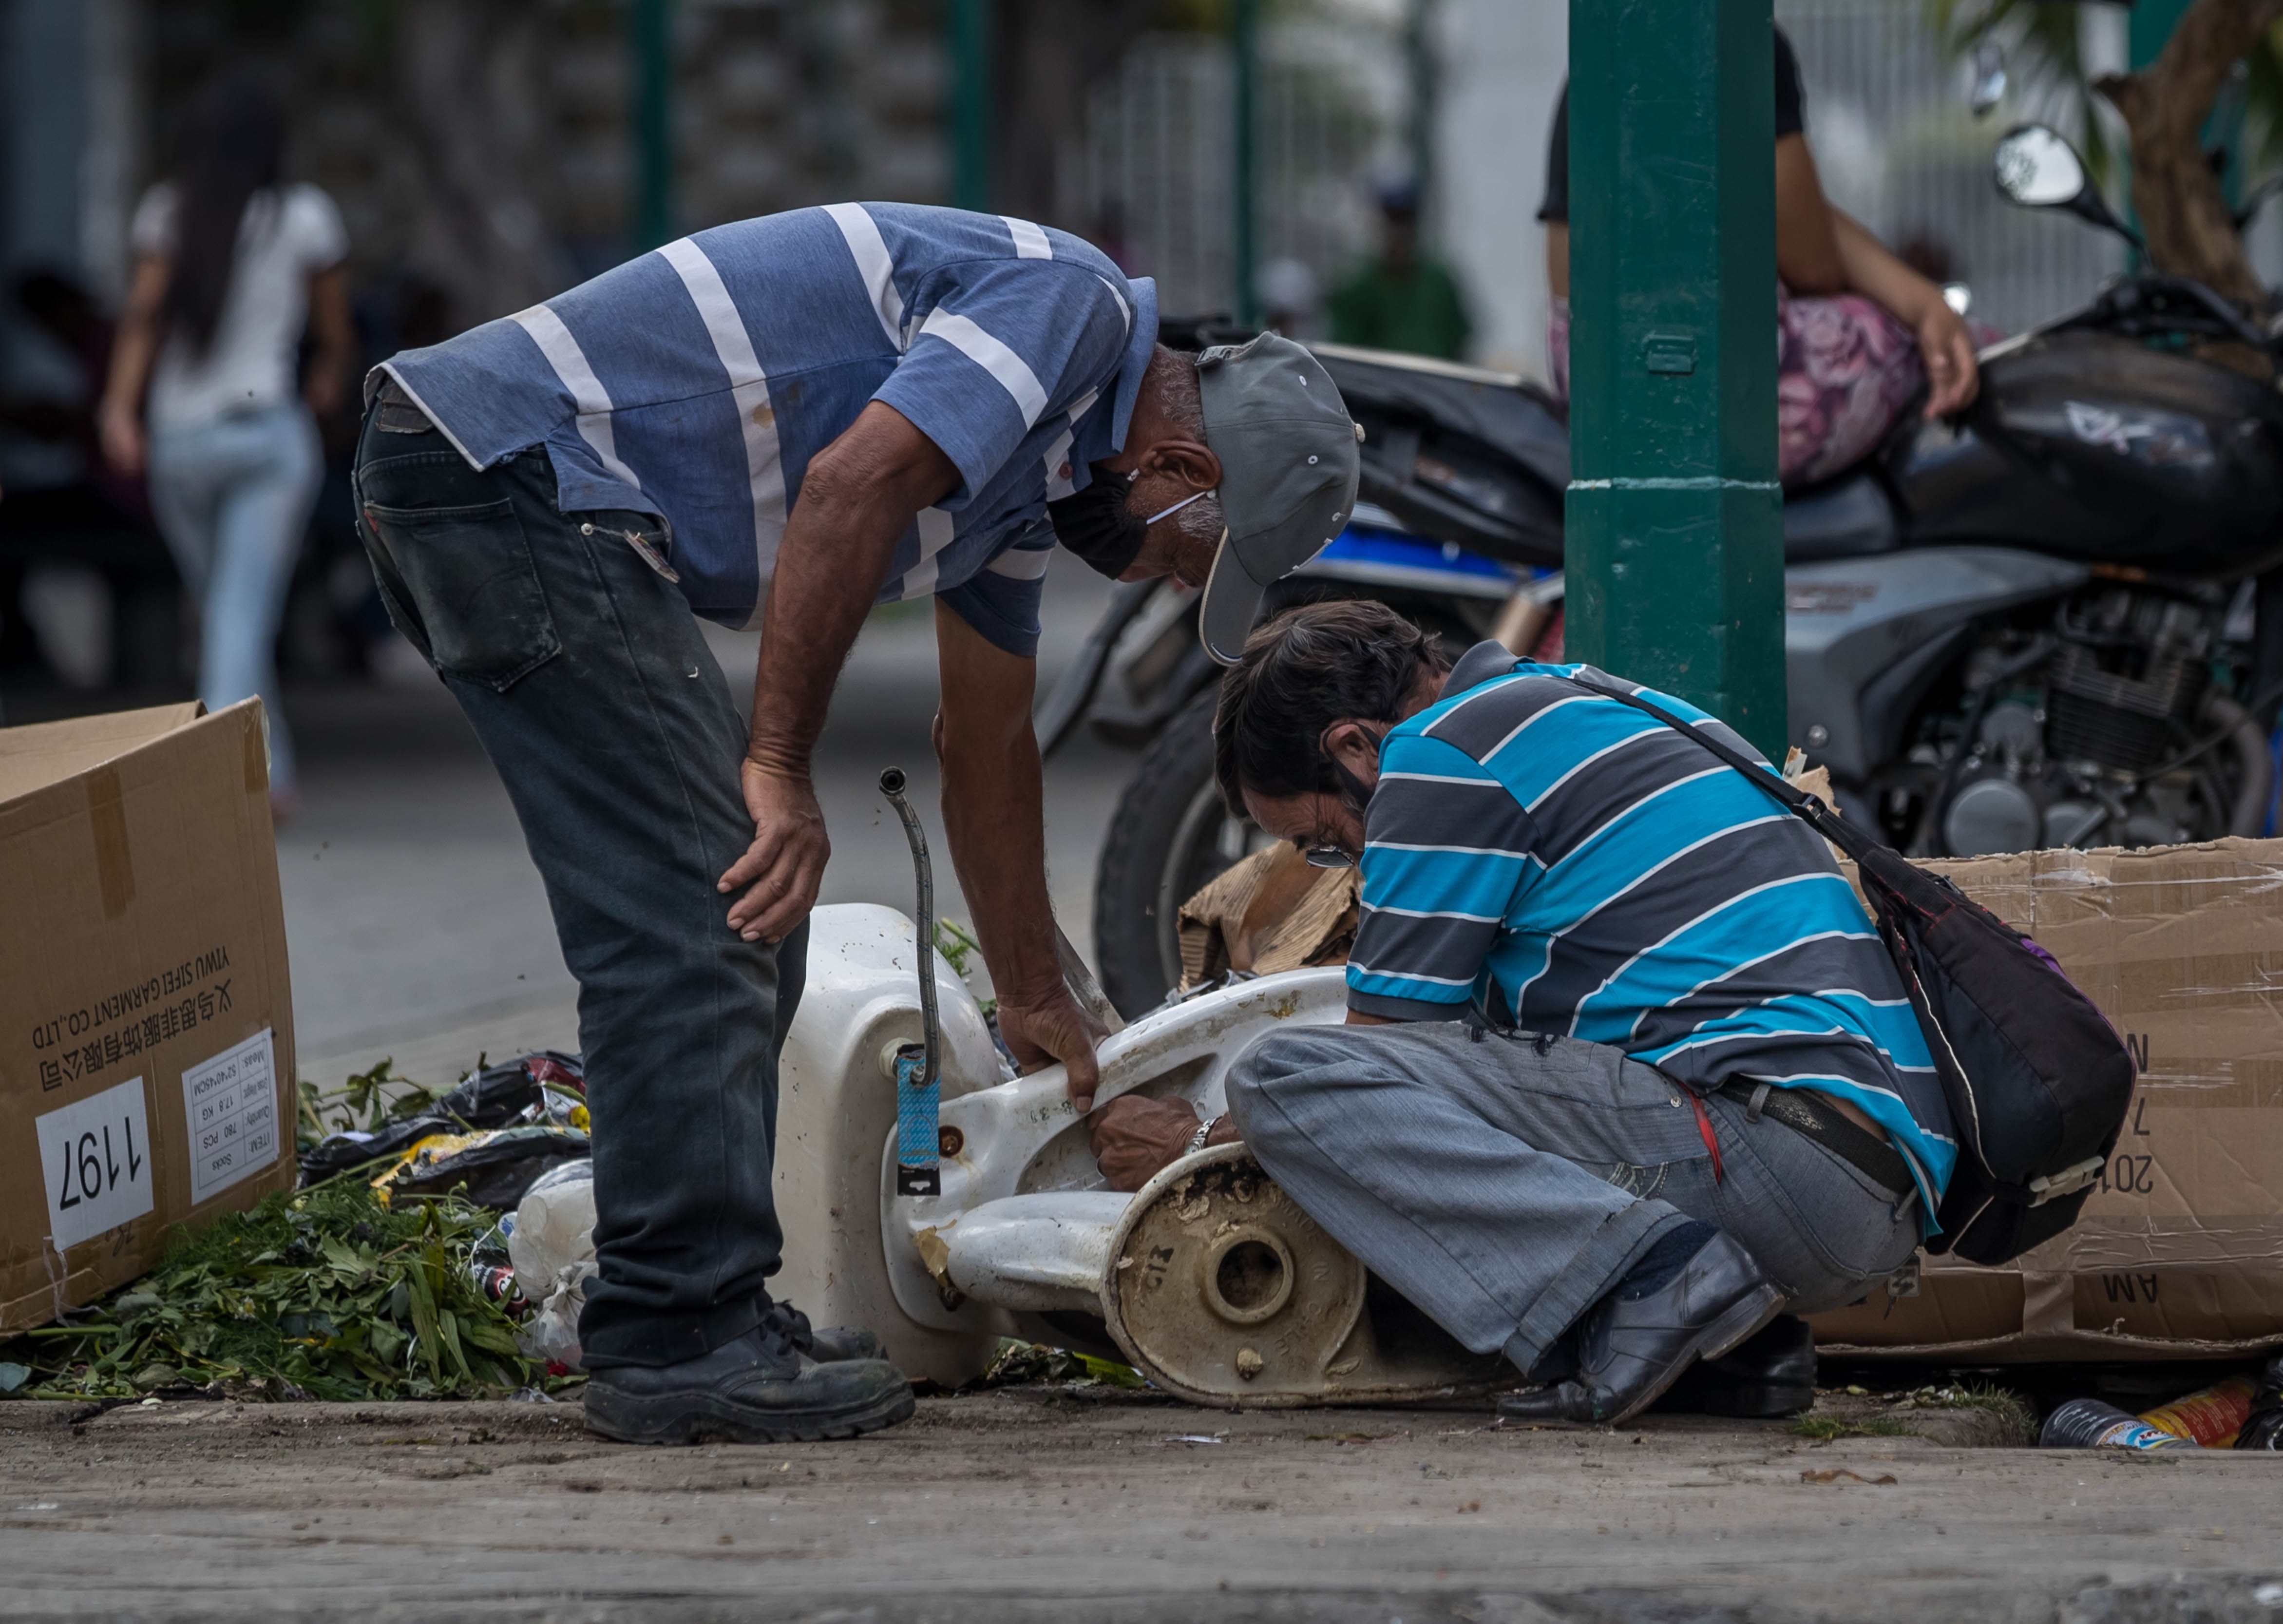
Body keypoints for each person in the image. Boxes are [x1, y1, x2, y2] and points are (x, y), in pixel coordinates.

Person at [353, 203, 1361, 1445]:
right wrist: (777, 766)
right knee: (715, 904)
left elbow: (985, 746)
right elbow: (850, 484)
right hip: (515, 471)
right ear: (1183, 475)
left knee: (737, 913)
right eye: (1183, 560)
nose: (1159, 578)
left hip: (487, 476)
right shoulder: (1074, 308)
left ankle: (691, 1308)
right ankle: (675, 1338)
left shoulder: (1022, 482)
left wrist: (1034, 988)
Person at [1088, 601, 1951, 1424]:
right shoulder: (1575, 698)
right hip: (1865, 1186)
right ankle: (1735, 1350)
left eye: (1327, 839)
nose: (1345, 860)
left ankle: (1656, 1280)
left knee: (1286, 1078)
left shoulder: (1438, 755)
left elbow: (1371, 1071)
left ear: (1354, 746)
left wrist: (1193, 1144)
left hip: (1780, 1157)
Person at [1537, 31, 1979, 487]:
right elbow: (1813, 261)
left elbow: (1786, 214)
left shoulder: (1614, 34)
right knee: (1943, 353)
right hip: (1705, 388)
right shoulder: (1737, 34)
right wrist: (1921, 310)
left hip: (1596, 393)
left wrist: (1923, 302)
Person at [99, 74, 353, 813]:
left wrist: (119, 409)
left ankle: (268, 774)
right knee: (237, 617)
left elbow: (143, 319)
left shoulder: (166, 211)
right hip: (267, 435)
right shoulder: (306, 216)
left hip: (180, 441)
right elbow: (335, 337)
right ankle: (247, 784)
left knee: (226, 612)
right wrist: (329, 378)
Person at [1326, 181, 1473, 361]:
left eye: (1405, 222)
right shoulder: (1358, 288)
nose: (1398, 233)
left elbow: (1460, 341)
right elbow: (1343, 355)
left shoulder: (1439, 282)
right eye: (1392, 222)